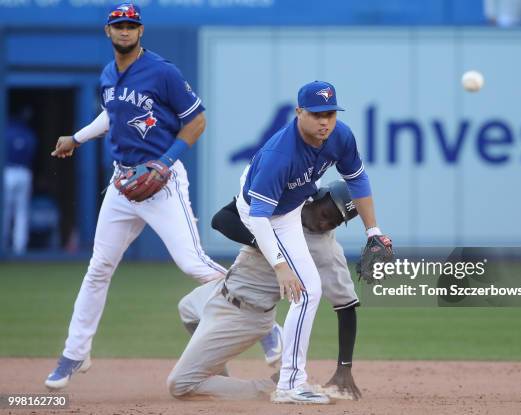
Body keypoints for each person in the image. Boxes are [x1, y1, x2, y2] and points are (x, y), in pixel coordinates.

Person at [43, 2, 286, 390]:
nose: (125, 31)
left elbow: (197, 120)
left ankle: (265, 325)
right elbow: (113, 115)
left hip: (162, 183)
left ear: (141, 31)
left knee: (194, 263)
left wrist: (165, 162)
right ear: (108, 32)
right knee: (98, 267)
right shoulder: (108, 74)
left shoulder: (162, 71)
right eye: (118, 25)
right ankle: (74, 353)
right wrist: (77, 137)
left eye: (131, 25)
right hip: (123, 185)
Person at [236, 80, 389, 404]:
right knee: (304, 290)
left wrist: (372, 231)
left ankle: (291, 383)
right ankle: (290, 384)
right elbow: (261, 216)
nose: (325, 121)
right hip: (259, 211)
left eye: (330, 113)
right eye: (317, 113)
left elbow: (357, 178)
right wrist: (280, 266)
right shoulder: (281, 153)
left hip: (290, 209)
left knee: (309, 291)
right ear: (299, 112)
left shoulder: (340, 135)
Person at [167, 180, 362, 401]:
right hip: (221, 290)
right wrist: (263, 243)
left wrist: (344, 367)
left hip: (245, 315)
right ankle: (232, 362)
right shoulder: (280, 207)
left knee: (180, 384)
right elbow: (221, 220)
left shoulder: (327, 251)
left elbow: (346, 306)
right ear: (315, 198)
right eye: (327, 213)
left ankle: (269, 387)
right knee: (187, 309)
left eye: (335, 222)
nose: (325, 223)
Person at [3, 113, 37, 255]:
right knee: (21, 211)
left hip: (8, 172)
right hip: (24, 172)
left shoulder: (6, 133)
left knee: (5, 210)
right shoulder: (29, 135)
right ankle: (19, 247)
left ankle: (3, 245)